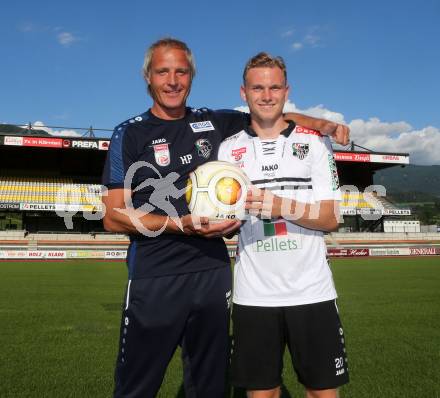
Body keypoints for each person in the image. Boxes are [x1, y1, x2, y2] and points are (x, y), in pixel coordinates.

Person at [101, 38, 349, 398]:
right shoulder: (130, 132)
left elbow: (270, 114)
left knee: (210, 386)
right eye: (163, 71)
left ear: (191, 77)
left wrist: (322, 123)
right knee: (137, 386)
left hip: (213, 276)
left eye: (181, 71)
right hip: (155, 276)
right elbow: (113, 216)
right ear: (148, 78)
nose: (173, 80)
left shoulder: (212, 123)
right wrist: (180, 225)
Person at [218, 52, 349, 398]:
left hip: (312, 292)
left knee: (322, 393)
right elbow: (226, 223)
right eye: (257, 87)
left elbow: (332, 217)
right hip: (254, 296)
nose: (266, 95)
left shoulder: (315, 144)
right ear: (244, 93)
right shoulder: (228, 151)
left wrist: (280, 205)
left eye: (274, 87)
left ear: (286, 91)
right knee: (262, 393)